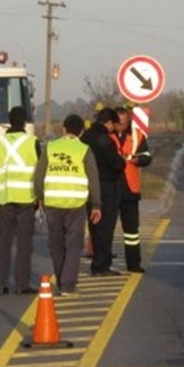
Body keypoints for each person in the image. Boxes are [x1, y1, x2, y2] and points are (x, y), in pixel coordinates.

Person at [34, 114, 102, 295]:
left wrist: (40, 197)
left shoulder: (50, 147)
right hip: (75, 205)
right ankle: (68, 284)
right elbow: (93, 179)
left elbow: (39, 175)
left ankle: (60, 278)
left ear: (63, 129)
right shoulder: (84, 150)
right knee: (73, 245)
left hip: (53, 203)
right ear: (81, 132)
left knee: (56, 244)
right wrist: (96, 204)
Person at [0, 106, 41, 296]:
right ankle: (22, 285)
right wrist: (39, 197)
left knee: (5, 242)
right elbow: (39, 173)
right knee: (24, 243)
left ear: (9, 121)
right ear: (25, 122)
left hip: (5, 198)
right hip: (26, 198)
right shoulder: (32, 142)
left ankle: (2, 284)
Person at [81, 107, 125, 276]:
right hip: (106, 185)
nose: (114, 128)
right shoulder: (105, 139)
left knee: (94, 225)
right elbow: (116, 163)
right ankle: (102, 264)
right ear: (108, 123)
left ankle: (98, 262)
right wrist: (122, 162)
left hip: (88, 186)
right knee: (106, 225)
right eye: (114, 124)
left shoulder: (85, 137)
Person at [112, 107, 152, 273]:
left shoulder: (137, 135)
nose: (121, 126)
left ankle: (133, 263)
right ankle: (104, 263)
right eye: (119, 123)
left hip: (130, 188)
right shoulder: (107, 135)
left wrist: (138, 160)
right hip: (111, 186)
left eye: (125, 122)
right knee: (107, 228)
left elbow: (147, 157)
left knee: (131, 230)